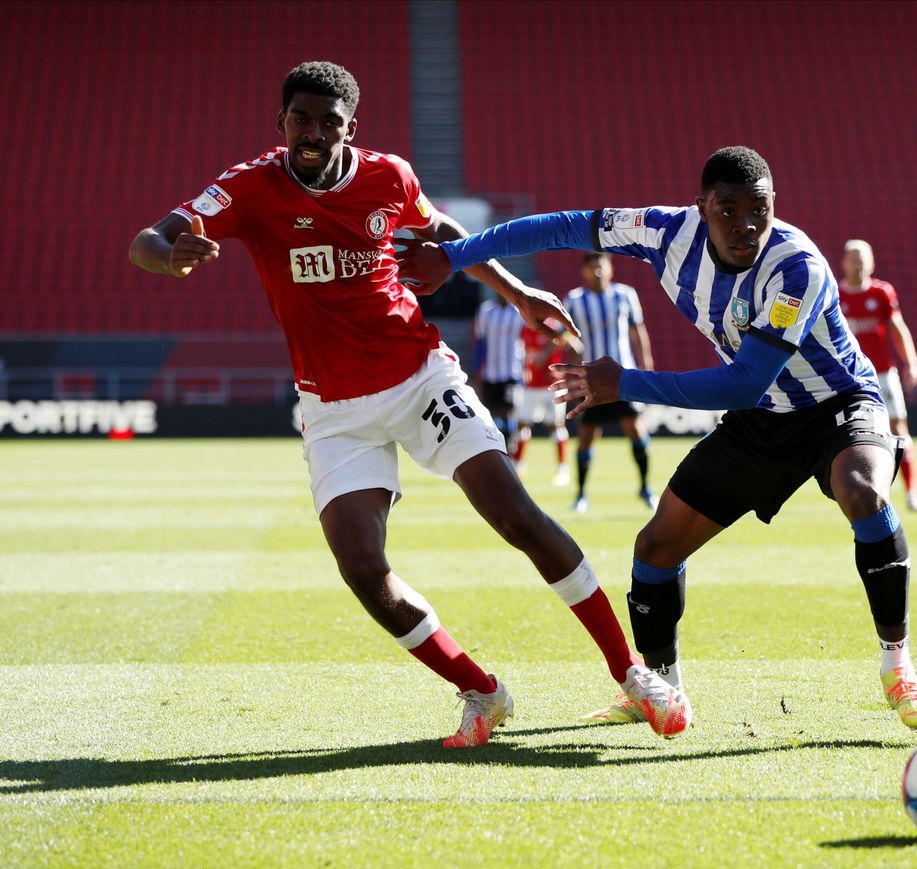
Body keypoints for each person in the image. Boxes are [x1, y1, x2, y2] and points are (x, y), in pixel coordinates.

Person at [128, 61, 680, 747]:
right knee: (362, 567)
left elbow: (443, 230)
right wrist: (169, 256)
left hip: (421, 378)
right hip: (333, 409)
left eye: (329, 121)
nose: (312, 132)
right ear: (282, 123)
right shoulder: (247, 188)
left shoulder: (389, 176)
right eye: (301, 118)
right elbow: (149, 238)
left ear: (349, 129)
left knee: (516, 514)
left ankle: (631, 672)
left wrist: (517, 291)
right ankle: (482, 692)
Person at [398, 145, 917, 739]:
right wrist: (455, 255)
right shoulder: (661, 232)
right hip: (761, 420)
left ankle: (899, 668)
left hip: (838, 404)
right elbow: (560, 226)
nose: (745, 225)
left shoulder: (797, 267)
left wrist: (623, 382)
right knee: (656, 547)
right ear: (701, 207)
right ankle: (659, 686)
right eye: (728, 210)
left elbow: (744, 379)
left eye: (758, 209)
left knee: (862, 490)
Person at [839, 240, 917, 512]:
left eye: (864, 258)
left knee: (898, 429)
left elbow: (897, 327)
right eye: (854, 258)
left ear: (873, 262)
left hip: (882, 373)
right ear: (844, 262)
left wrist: (911, 362)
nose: (859, 263)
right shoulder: (834, 292)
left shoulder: (882, 292)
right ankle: (857, 492)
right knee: (844, 436)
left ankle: (911, 491)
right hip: (846, 375)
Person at [564, 252, 657, 513]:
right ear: (584, 271)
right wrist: (572, 377)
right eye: (592, 268)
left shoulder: (625, 294)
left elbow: (638, 333)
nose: (597, 272)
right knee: (586, 437)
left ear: (610, 269)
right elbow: (571, 343)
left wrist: (646, 367)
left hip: (623, 377)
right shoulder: (573, 300)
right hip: (590, 381)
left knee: (637, 432)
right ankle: (581, 494)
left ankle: (646, 488)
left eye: (601, 267)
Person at [514, 319, 573, 485]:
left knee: (555, 425)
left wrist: (546, 356)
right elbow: (524, 351)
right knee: (522, 423)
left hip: (552, 384)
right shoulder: (525, 327)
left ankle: (562, 469)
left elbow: (567, 338)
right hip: (531, 384)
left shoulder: (553, 326)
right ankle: (518, 466)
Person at [472, 293, 525, 453]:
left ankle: (510, 448)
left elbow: (526, 338)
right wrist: (477, 366)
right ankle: (495, 447)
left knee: (509, 410)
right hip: (491, 371)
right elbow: (480, 340)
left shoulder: (518, 312)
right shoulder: (486, 311)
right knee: (491, 410)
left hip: (512, 371)